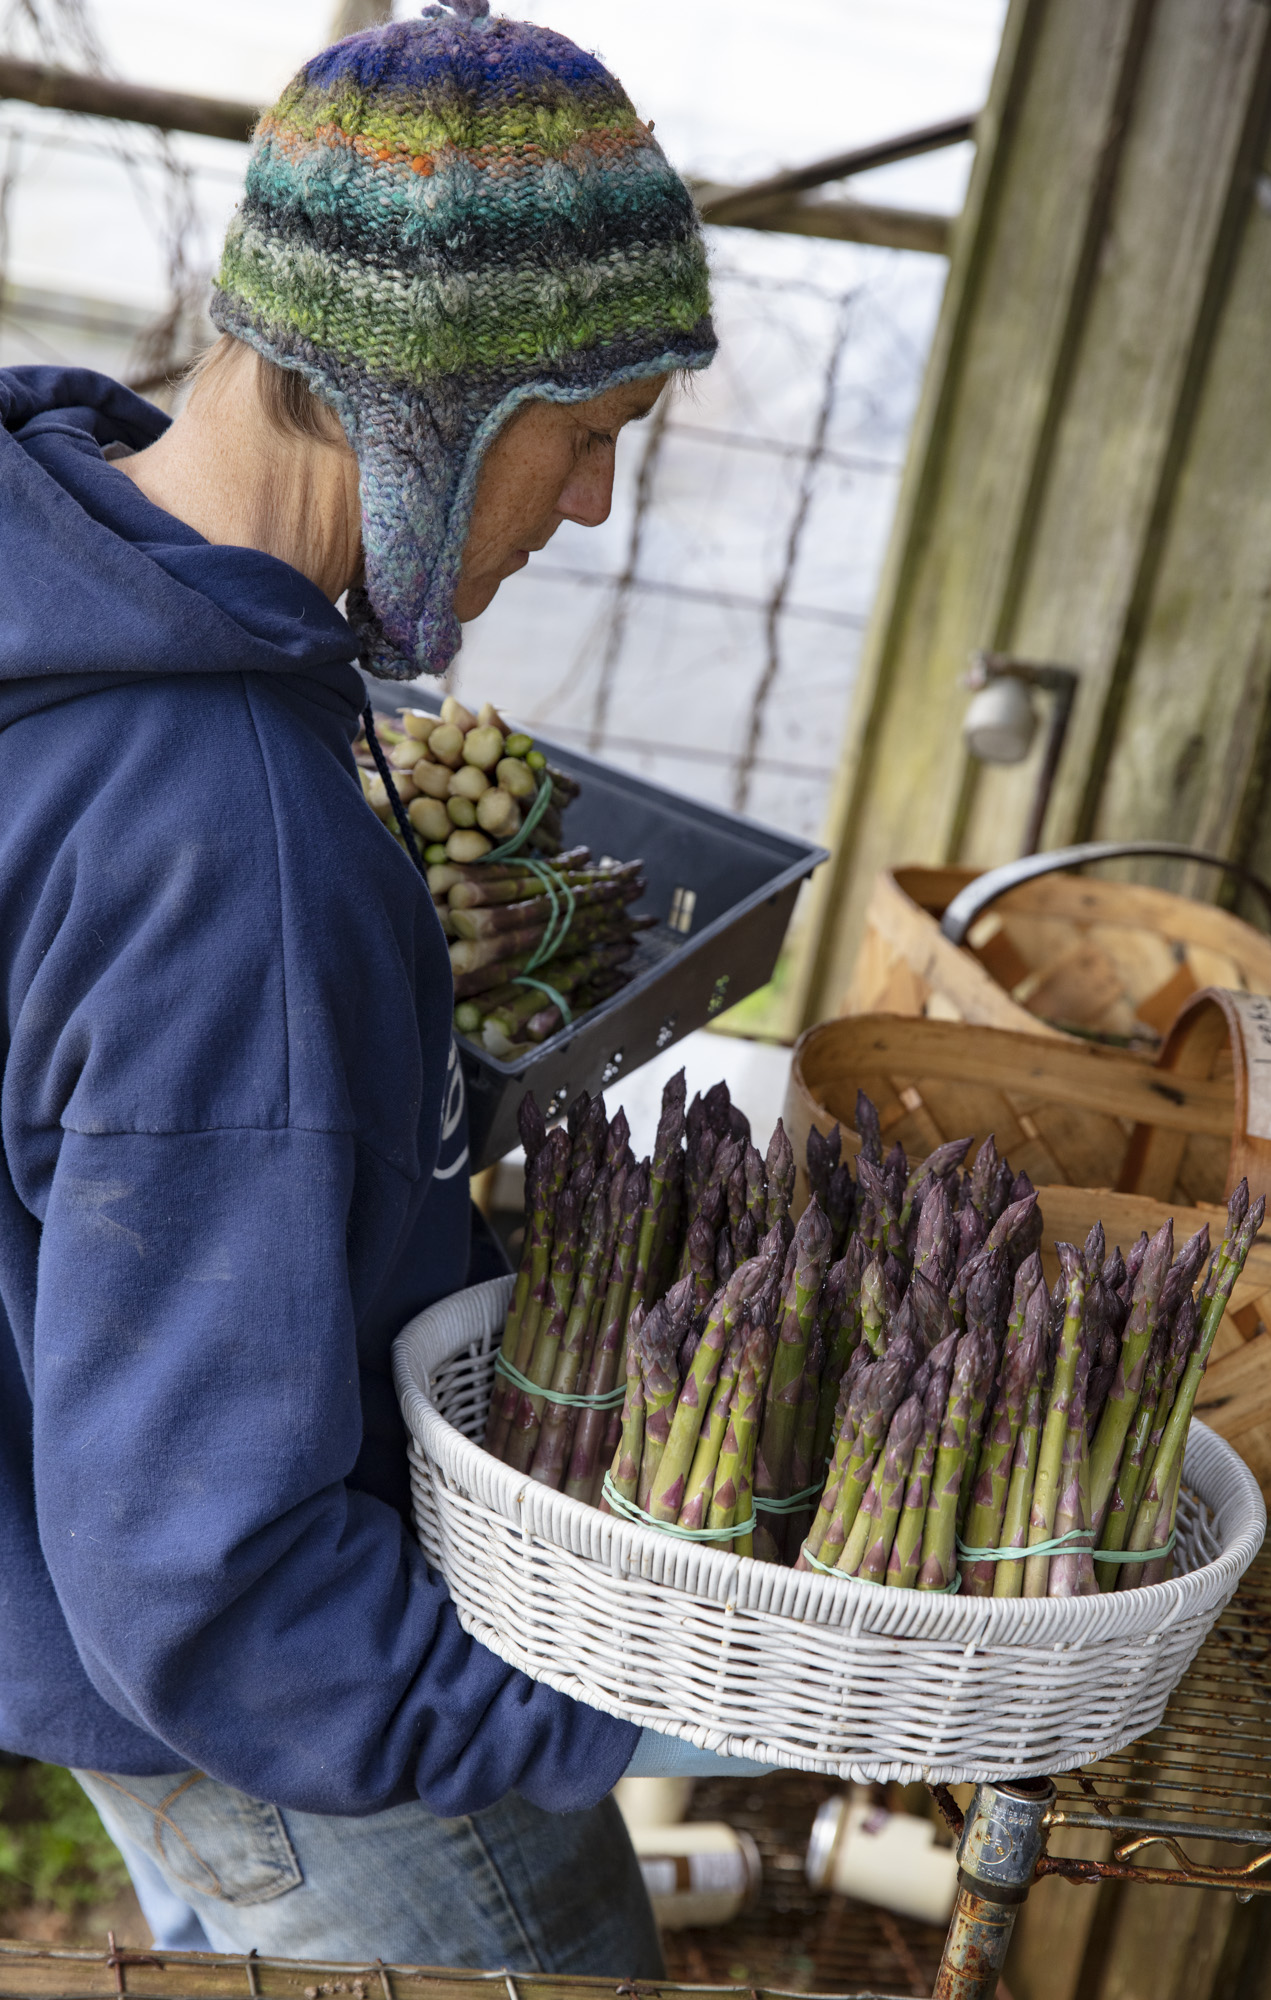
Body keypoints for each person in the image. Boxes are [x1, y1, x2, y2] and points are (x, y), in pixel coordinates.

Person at [0, 1, 764, 1973]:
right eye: (585, 436)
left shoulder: (64, 559)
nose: (593, 506)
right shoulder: (228, 841)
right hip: (325, 1733)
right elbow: (213, 1576)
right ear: (436, 402)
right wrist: (613, 1718)